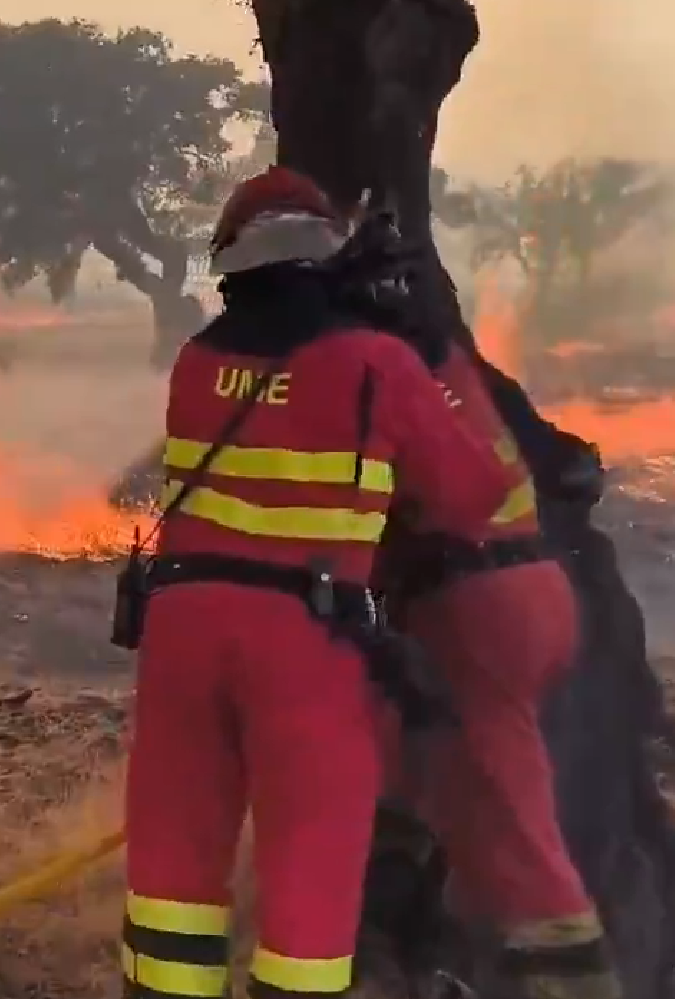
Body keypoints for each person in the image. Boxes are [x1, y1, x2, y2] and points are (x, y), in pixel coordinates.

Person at [120, 166, 518, 999]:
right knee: (310, 870)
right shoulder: (377, 363)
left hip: (182, 636)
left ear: (234, 269)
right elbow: (472, 496)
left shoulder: (195, 364)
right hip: (306, 645)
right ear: (329, 260)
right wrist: (422, 354)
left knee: (173, 875)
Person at [378, 333, 625, 999]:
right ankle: (423, 957)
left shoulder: (365, 367)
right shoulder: (445, 359)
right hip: (525, 592)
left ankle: (573, 982)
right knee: (413, 783)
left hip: (476, 616)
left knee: (515, 828)